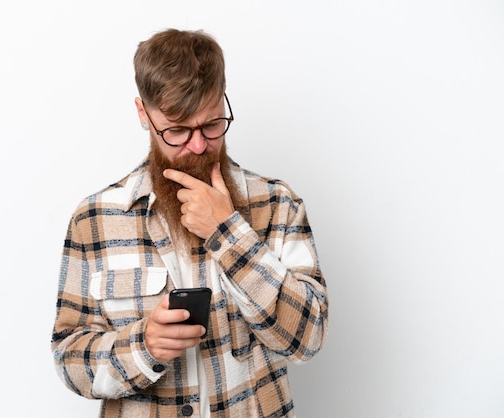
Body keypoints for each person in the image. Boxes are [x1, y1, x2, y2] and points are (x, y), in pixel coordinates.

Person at [51, 28, 328, 418]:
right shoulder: (94, 220)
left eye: (212, 124)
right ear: (143, 114)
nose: (198, 146)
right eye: (177, 131)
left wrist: (228, 234)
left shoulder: (278, 204)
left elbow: (308, 339)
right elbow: (69, 359)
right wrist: (143, 347)